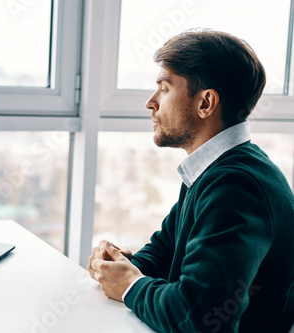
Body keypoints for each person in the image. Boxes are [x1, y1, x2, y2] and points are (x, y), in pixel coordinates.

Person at [87, 29, 294, 333]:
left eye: (165, 88)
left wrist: (131, 286)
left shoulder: (237, 187)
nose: (150, 102)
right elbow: (165, 250)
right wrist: (120, 266)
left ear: (206, 103)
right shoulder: (216, 169)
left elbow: (199, 317)